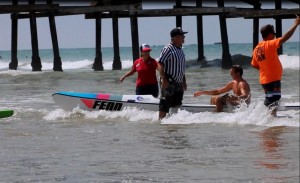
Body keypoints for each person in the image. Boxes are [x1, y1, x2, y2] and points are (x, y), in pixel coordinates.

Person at [251, 16, 300, 116]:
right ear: (269, 34)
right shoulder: (269, 44)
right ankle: (270, 120)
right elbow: (285, 38)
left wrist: (265, 69)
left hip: (265, 79)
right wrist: (296, 24)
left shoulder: (257, 48)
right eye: (273, 33)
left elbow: (254, 64)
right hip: (273, 79)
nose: (274, 35)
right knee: (275, 101)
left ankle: (268, 117)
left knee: (271, 101)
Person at [158, 27, 188, 119]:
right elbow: (160, 64)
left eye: (183, 36)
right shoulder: (168, 49)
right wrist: (164, 79)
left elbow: (181, 68)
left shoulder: (180, 50)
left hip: (179, 83)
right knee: (165, 104)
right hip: (169, 81)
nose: (184, 37)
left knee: (177, 105)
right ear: (174, 37)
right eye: (181, 36)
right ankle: (161, 124)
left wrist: (184, 81)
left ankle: (173, 126)